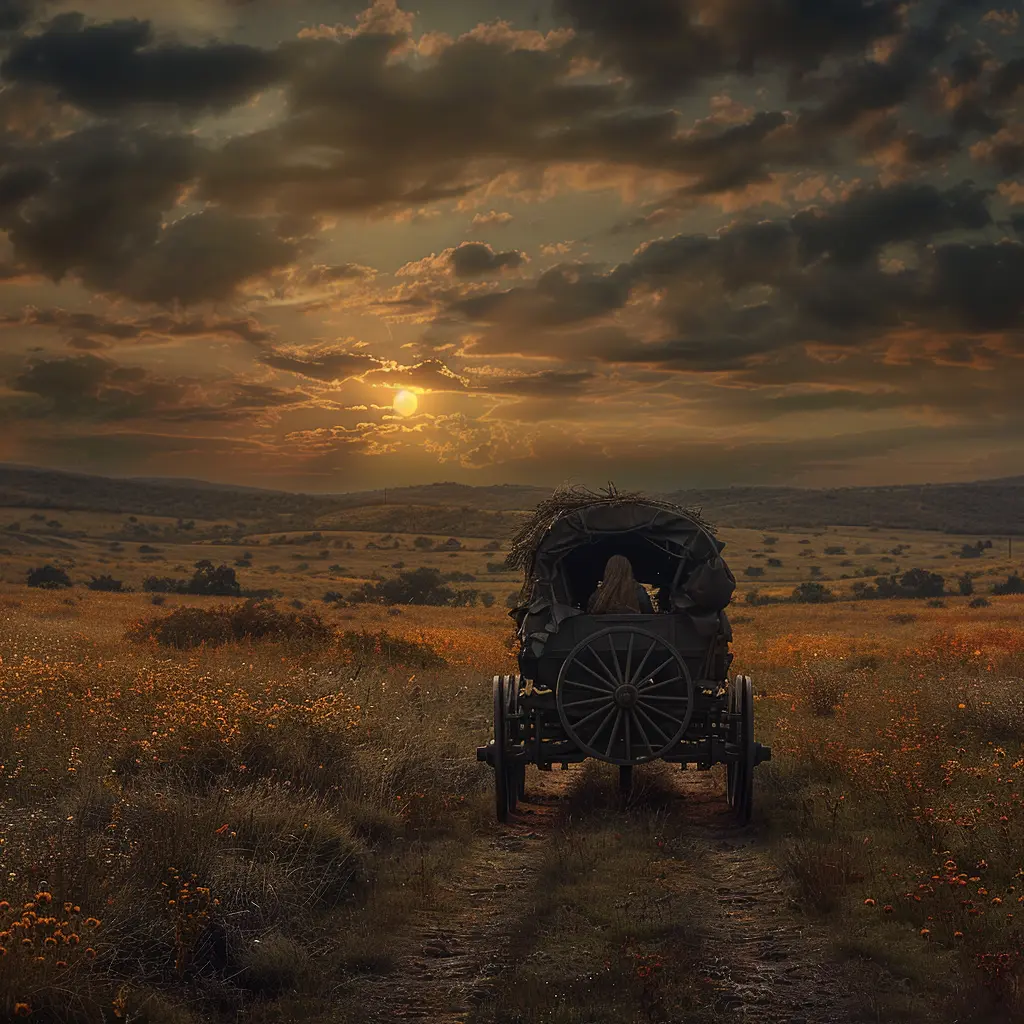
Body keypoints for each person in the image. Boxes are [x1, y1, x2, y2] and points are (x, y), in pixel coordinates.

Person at [587, 555, 654, 614]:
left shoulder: (599, 594)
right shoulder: (638, 591)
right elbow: (649, 613)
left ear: (607, 571)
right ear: (629, 570)